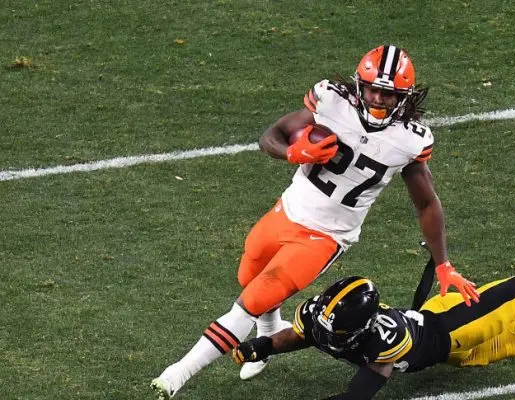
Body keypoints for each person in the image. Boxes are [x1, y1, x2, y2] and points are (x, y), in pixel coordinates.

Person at [151, 44, 479, 399]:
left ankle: (176, 375)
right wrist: (292, 152)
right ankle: (269, 336)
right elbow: (270, 136)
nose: (379, 99)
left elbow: (427, 202)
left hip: (326, 236)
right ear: (359, 85)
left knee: (251, 300)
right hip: (289, 210)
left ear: (403, 96)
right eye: (373, 90)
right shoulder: (331, 102)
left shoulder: (410, 139)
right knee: (248, 275)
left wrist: (444, 263)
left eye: (388, 94)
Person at [231, 144, 515, 399]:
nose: (320, 324)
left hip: (455, 326)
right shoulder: (322, 315)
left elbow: (356, 396)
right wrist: (262, 347)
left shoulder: (385, 344)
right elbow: (304, 333)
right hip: (448, 347)